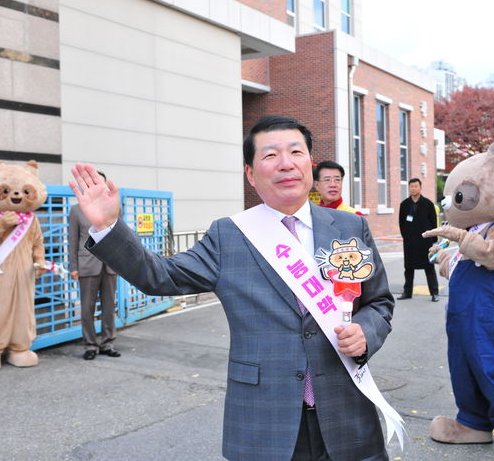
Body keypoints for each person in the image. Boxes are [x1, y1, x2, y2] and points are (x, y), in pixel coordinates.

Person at [69, 115, 395, 461]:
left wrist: (365, 331)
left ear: (309, 165)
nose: (286, 163)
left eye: (296, 152)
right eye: (270, 156)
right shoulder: (230, 235)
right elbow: (159, 275)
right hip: (264, 415)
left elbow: (379, 302)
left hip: (347, 409)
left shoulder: (349, 226)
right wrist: (107, 226)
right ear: (251, 174)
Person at [68, 171, 120, 361]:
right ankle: (90, 345)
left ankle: (108, 343)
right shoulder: (76, 210)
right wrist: (74, 266)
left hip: (110, 265)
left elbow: (118, 237)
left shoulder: (112, 207)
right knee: (87, 308)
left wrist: (120, 262)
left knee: (108, 307)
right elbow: (72, 240)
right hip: (87, 265)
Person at [398, 178, 439, 302]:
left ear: (420, 188)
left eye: (416, 186)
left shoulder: (428, 204)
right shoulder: (404, 204)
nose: (413, 188)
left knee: (429, 267)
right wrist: (405, 236)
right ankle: (407, 292)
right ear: (409, 188)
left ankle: (434, 293)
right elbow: (401, 223)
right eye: (411, 186)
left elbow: (433, 223)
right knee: (408, 268)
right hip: (410, 242)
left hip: (425, 241)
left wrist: (434, 240)